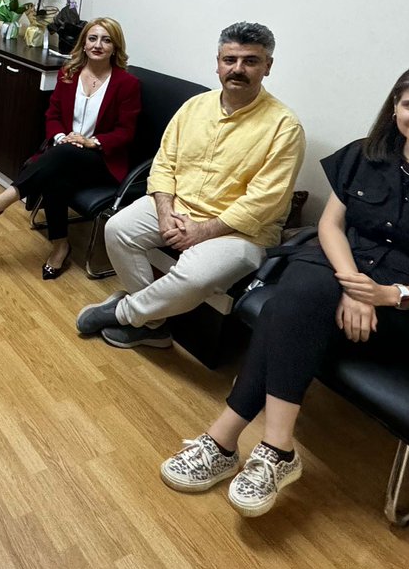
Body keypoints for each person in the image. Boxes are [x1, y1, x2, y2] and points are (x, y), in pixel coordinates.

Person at [158, 62, 409, 518]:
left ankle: (225, 442)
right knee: (303, 290)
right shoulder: (365, 155)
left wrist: (390, 294)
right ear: (394, 108)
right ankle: (274, 449)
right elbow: (330, 225)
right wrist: (357, 289)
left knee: (289, 305)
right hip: (346, 277)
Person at [77, 22, 305, 349]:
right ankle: (152, 322)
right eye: (230, 59)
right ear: (217, 63)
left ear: (267, 66)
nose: (237, 69)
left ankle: (125, 313)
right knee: (118, 229)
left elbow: (263, 201)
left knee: (195, 275)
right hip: (178, 207)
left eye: (250, 61)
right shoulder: (194, 107)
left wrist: (203, 231)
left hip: (241, 231)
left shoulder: (285, 127)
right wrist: (165, 211)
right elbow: (164, 163)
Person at [0, 17, 140, 279]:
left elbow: (125, 132)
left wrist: (91, 142)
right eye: (92, 38)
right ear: (83, 43)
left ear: (115, 47)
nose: (98, 45)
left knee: (65, 155)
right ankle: (61, 246)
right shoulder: (69, 74)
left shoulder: (126, 84)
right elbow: (53, 115)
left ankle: (7, 198)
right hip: (64, 153)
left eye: (106, 40)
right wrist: (62, 137)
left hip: (101, 160)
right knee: (55, 178)